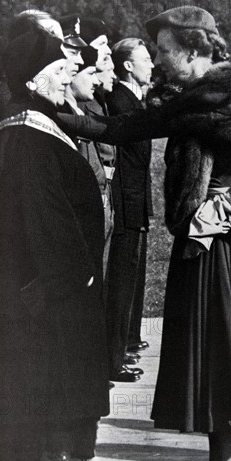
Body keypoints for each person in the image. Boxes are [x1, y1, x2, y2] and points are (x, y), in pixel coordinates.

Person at [56, 6, 231, 461]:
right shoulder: (192, 99)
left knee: (226, 362)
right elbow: (124, 127)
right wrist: (54, 113)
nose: (158, 59)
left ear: (192, 52)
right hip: (201, 246)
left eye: (165, 50)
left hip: (226, 249)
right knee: (211, 360)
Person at [0, 28, 109, 461]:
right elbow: (44, 221)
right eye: (59, 70)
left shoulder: (31, 128)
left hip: (31, 288)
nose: (68, 75)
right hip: (34, 291)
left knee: (32, 380)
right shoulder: (23, 138)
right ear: (34, 79)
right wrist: (77, 278)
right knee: (28, 380)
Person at [103, 38, 154, 382]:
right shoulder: (122, 100)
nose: (152, 64)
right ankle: (114, 356)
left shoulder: (132, 99)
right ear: (128, 66)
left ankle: (128, 339)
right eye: (146, 59)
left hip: (135, 198)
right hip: (125, 201)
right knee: (121, 280)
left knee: (132, 275)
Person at [0, 10, 84, 146]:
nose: (61, 50)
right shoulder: (5, 99)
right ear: (26, 41)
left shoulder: (45, 95)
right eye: (53, 39)